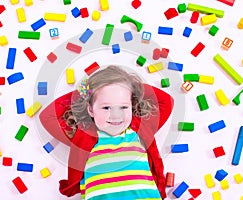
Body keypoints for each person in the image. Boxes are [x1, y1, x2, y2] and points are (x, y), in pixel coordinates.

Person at [39, 65, 174, 199]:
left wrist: (129, 85)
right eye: (106, 107)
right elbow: (47, 116)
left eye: (123, 107)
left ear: (131, 105)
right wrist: (87, 92)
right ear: (91, 110)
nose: (116, 115)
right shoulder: (84, 136)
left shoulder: (140, 128)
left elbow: (166, 101)